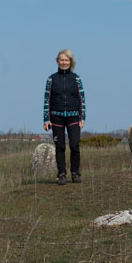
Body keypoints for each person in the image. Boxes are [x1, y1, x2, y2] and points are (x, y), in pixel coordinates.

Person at [42, 49, 86, 185]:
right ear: (57, 61)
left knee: (74, 145)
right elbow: (46, 99)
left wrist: (82, 117)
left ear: (70, 62)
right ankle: (61, 174)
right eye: (62, 60)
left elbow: (82, 99)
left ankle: (75, 173)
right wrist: (46, 119)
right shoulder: (51, 79)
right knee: (60, 146)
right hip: (56, 117)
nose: (64, 62)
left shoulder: (77, 79)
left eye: (66, 60)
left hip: (74, 116)